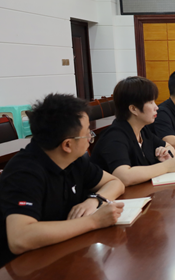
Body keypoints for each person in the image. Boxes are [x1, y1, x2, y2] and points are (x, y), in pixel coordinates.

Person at [0, 93, 125, 266]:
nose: (90, 137)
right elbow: (20, 238)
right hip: (27, 267)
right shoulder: (24, 172)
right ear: (67, 145)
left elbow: (115, 183)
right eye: (87, 133)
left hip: (64, 251)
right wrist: (94, 221)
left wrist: (95, 200)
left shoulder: (75, 160)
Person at [91, 76, 175, 187]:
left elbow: (169, 146)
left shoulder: (143, 130)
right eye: (150, 102)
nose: (156, 107)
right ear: (133, 109)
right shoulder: (115, 136)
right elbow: (124, 176)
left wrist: (164, 152)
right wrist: (165, 167)